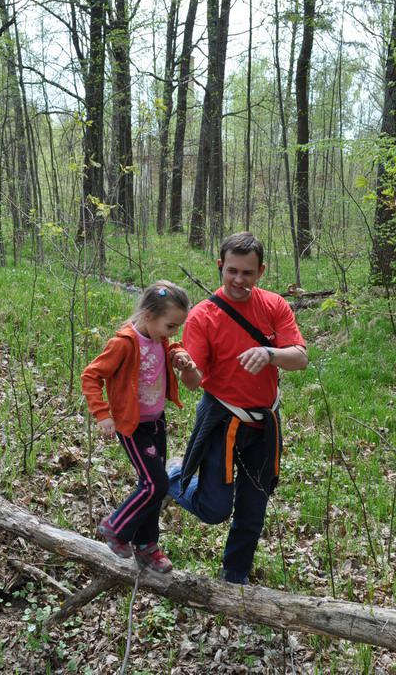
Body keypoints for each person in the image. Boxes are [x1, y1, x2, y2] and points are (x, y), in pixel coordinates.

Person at [168, 231, 308, 585]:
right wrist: (186, 368)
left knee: (253, 506)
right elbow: (194, 382)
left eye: (247, 273)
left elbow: (300, 358)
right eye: (232, 271)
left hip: (264, 421)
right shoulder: (203, 316)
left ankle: (235, 576)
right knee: (215, 509)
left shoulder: (275, 305)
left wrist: (269, 353)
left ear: (261, 271)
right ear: (220, 266)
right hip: (221, 417)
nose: (239, 280)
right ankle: (170, 476)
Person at [81, 281, 202, 573]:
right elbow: (91, 376)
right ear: (148, 316)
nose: (173, 333)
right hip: (133, 426)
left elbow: (167, 348)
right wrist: (102, 414)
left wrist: (178, 353)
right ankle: (115, 527)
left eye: (177, 327)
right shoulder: (124, 343)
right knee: (156, 483)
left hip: (156, 422)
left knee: (152, 486)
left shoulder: (160, 339)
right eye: (170, 326)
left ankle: (147, 545)